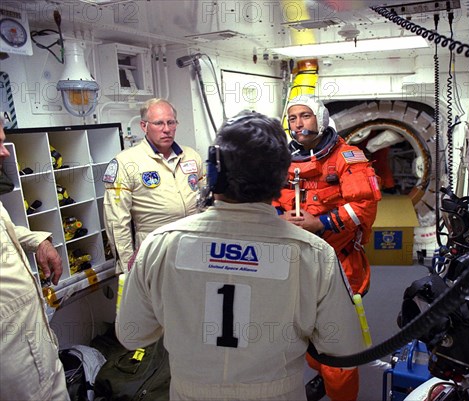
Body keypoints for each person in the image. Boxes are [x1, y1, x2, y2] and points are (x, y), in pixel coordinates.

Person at [116, 111, 366, 401]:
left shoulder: (160, 245)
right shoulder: (314, 254)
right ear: (280, 178)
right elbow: (345, 348)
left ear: (213, 172)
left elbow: (132, 335)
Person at [273, 95, 382, 401]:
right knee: (305, 338)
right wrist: (280, 219)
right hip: (294, 265)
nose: (298, 124)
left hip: (337, 266)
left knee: (338, 349)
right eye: (293, 118)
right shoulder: (281, 163)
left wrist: (321, 223)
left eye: (305, 116)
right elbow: (265, 202)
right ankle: (323, 373)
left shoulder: (347, 158)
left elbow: (364, 206)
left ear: (320, 119)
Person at [0, 121, 69, 400]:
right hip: (12, 353)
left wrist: (36, 239)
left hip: (33, 336)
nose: (5, 153)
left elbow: (6, 230)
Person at [103, 98, 204, 274]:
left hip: (194, 246)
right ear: (144, 126)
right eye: (158, 123)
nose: (166, 129)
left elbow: (207, 202)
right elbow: (117, 220)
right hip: (154, 252)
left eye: (171, 122)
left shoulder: (191, 156)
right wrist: (128, 267)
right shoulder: (126, 162)